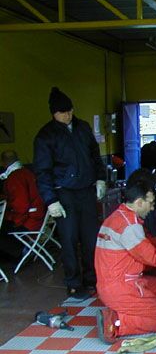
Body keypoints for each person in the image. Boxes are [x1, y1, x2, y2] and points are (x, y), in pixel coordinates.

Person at [33, 87, 106, 300]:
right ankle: (74, 284)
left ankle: (93, 279)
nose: (68, 115)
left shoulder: (82, 127)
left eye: (70, 110)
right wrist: (50, 201)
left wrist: (100, 178)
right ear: (54, 113)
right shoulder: (46, 135)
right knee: (69, 239)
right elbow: (42, 171)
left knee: (91, 238)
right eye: (63, 112)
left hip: (86, 190)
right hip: (63, 194)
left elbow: (95, 156)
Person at [95, 172, 156, 344]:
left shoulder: (117, 216)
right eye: (151, 203)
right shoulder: (130, 226)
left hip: (113, 282)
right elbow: (153, 258)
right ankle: (116, 322)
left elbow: (141, 247)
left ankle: (142, 308)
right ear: (139, 202)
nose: (153, 208)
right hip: (122, 287)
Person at [0, 150, 46, 259]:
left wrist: (11, 219)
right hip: (39, 218)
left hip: (29, 221)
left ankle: (21, 251)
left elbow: (21, 206)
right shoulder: (27, 172)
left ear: (4, 162)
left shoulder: (15, 177)